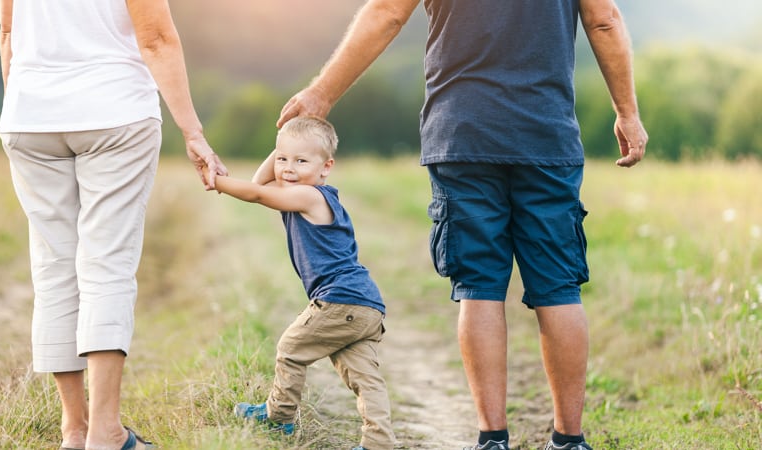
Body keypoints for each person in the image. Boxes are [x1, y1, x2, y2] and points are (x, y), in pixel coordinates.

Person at [276, 1, 648, 449]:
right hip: (545, 136)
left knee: (480, 286)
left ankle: (492, 439)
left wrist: (322, 94)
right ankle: (569, 441)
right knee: (558, 287)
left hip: (462, 133)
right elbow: (604, 19)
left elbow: (388, 13)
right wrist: (627, 111)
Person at [0, 0, 227, 449]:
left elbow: (9, 32)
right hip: (114, 111)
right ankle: (105, 434)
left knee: (54, 268)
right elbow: (156, 37)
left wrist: (26, 104)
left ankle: (74, 431)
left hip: (29, 116)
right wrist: (193, 131)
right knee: (106, 265)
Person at [204, 116, 395, 450]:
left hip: (339, 300)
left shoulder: (309, 196)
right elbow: (260, 184)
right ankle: (379, 442)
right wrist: (283, 145)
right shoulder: (306, 192)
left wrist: (217, 181)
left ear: (326, 167)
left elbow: (255, 193)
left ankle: (279, 418)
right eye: (282, 159)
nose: (288, 168)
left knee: (290, 349)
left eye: (301, 160)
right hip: (365, 304)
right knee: (365, 377)